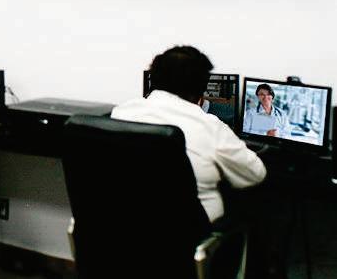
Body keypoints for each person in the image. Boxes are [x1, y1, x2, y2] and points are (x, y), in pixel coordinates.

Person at [111, 46, 266, 222]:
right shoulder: (211, 126)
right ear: (201, 88)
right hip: (189, 231)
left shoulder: (121, 112)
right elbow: (255, 174)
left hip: (125, 221)